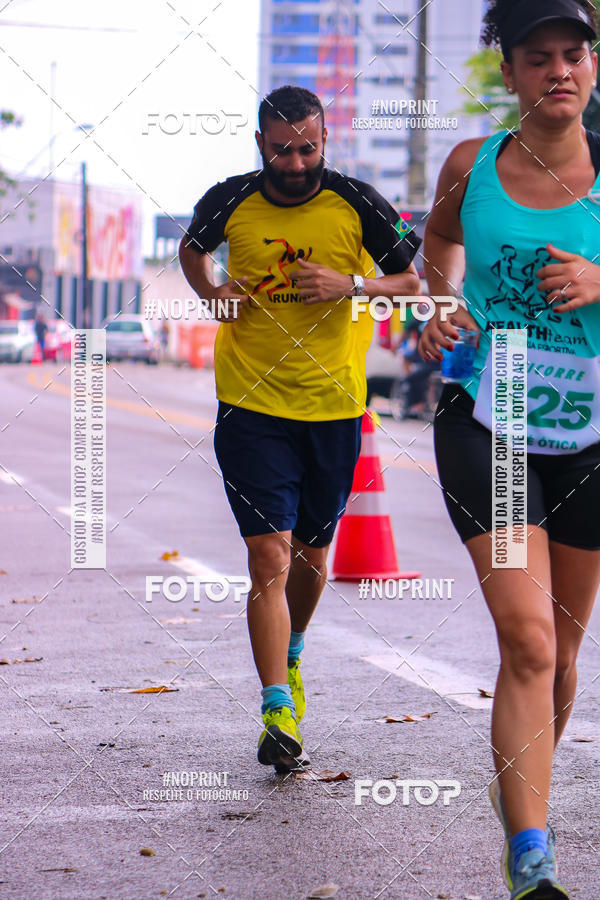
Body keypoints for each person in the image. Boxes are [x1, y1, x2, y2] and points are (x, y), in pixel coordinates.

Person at [179, 86, 421, 773]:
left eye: (307, 147)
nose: (295, 162)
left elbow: (415, 281)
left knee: (314, 558)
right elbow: (193, 247)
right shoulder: (231, 198)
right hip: (251, 408)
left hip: (334, 408)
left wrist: (351, 284)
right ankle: (277, 708)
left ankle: (293, 650)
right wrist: (212, 291)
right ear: (261, 144)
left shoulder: (359, 202)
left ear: (325, 140)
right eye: (282, 149)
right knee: (269, 558)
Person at [418, 2, 600, 897]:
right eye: (539, 59)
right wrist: (440, 304)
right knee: (527, 640)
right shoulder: (472, 165)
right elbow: (436, 250)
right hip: (491, 412)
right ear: (512, 73)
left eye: (575, 55)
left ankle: (525, 787)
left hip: (591, 432)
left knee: (562, 655)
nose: (560, 71)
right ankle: (532, 859)